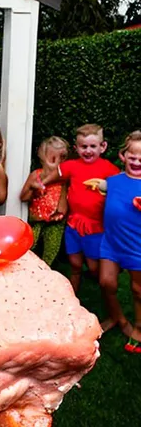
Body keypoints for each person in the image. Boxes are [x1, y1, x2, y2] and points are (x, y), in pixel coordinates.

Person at [41, 123, 119, 295]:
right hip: (74, 223)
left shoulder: (108, 168)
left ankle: (103, 285)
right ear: (76, 148)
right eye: (84, 147)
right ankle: (72, 296)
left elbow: (119, 188)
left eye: (93, 146)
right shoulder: (72, 165)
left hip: (95, 226)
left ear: (102, 146)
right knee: (75, 263)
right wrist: (42, 183)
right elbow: (58, 174)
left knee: (92, 266)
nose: (88, 150)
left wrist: (110, 188)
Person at [96, 130, 141, 350]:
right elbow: (103, 189)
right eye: (132, 156)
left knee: (138, 289)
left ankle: (139, 328)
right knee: (106, 282)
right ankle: (118, 319)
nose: (137, 162)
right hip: (111, 243)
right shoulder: (112, 181)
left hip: (137, 247)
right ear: (123, 156)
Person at [20, 136, 69, 266]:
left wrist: (61, 213)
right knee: (29, 245)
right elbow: (23, 197)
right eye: (53, 158)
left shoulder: (64, 178)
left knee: (50, 251)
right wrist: (33, 188)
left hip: (55, 222)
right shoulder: (37, 175)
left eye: (62, 158)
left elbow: (64, 201)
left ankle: (45, 271)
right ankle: (25, 269)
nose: (58, 161)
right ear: (43, 157)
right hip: (36, 220)